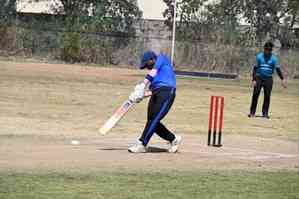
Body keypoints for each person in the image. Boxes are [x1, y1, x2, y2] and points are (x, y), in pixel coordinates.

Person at [128, 50, 182, 153]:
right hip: (157, 92)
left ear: (152, 59)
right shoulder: (155, 76)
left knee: (154, 120)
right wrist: (139, 96)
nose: (146, 68)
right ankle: (174, 139)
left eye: (146, 65)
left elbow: (151, 73)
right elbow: (152, 91)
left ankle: (142, 144)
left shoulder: (161, 59)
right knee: (152, 121)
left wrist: (142, 85)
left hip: (167, 92)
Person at [248, 41, 287, 119]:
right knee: (255, 94)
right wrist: (254, 79)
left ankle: (265, 113)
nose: (268, 52)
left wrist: (282, 79)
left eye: (269, 50)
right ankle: (252, 112)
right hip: (259, 77)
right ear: (264, 49)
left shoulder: (274, 59)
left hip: (268, 79)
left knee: (267, 96)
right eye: (266, 50)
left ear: (271, 50)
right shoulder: (259, 57)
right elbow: (255, 69)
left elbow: (278, 69)